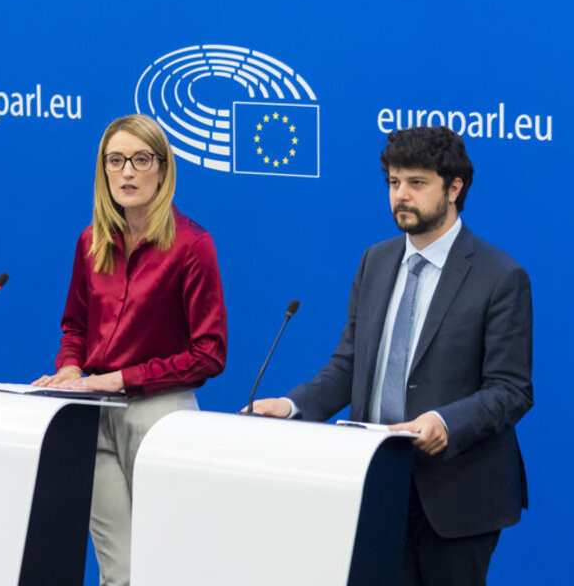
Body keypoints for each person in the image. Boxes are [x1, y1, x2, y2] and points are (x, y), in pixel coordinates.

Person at [249, 126, 532, 585]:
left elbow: (510, 390)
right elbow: (349, 366)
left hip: (457, 495)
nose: (401, 195)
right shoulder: (375, 261)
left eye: (417, 183)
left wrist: (444, 421)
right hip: (377, 483)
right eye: (394, 183)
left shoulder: (500, 276)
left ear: (454, 188)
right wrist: (294, 406)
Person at [33, 114, 227, 586]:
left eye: (141, 160)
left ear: (162, 169)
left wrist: (123, 377)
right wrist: (71, 367)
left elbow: (209, 353)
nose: (127, 172)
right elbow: (75, 325)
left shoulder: (192, 246)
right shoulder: (91, 240)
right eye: (116, 161)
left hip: (160, 415)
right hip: (92, 413)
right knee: (118, 569)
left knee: (166, 566)